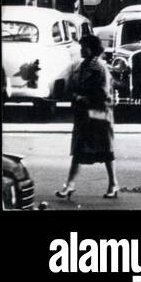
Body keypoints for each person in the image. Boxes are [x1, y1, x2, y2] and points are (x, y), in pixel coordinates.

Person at [56, 33, 119, 200]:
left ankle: (113, 183)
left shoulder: (101, 68)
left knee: (106, 151)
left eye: (84, 47)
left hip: (99, 114)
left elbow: (105, 93)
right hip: (83, 115)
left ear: (92, 49)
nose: (82, 50)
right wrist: (76, 97)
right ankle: (69, 185)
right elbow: (70, 88)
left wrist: (86, 98)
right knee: (78, 151)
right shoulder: (78, 66)